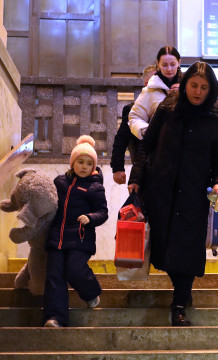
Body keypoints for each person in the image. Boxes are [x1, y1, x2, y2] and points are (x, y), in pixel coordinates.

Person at [128, 62, 218, 326]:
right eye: (194, 85)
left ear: (211, 90)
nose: (197, 92)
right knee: (165, 247)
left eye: (204, 87)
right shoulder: (168, 109)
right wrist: (136, 178)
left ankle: (179, 304)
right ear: (185, 85)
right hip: (160, 189)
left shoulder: (217, 121)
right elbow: (146, 145)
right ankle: (182, 291)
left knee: (187, 250)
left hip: (194, 195)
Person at [43, 135, 108, 327]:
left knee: (74, 270)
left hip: (81, 238)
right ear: (73, 162)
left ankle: (90, 292)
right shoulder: (59, 182)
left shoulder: (95, 188)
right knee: (54, 276)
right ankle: (54, 318)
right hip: (56, 237)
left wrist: (91, 218)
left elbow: (103, 213)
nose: (84, 166)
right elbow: (48, 203)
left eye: (89, 163)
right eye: (80, 162)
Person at [111, 65, 157, 185]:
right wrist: (118, 168)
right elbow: (121, 139)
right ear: (147, 83)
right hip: (142, 170)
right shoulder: (133, 109)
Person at [128, 46, 183, 140]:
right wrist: (147, 131)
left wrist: (184, 93)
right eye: (165, 65)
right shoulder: (151, 89)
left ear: (179, 62)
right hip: (161, 146)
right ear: (158, 63)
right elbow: (134, 117)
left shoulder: (189, 85)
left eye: (173, 64)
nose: (169, 69)